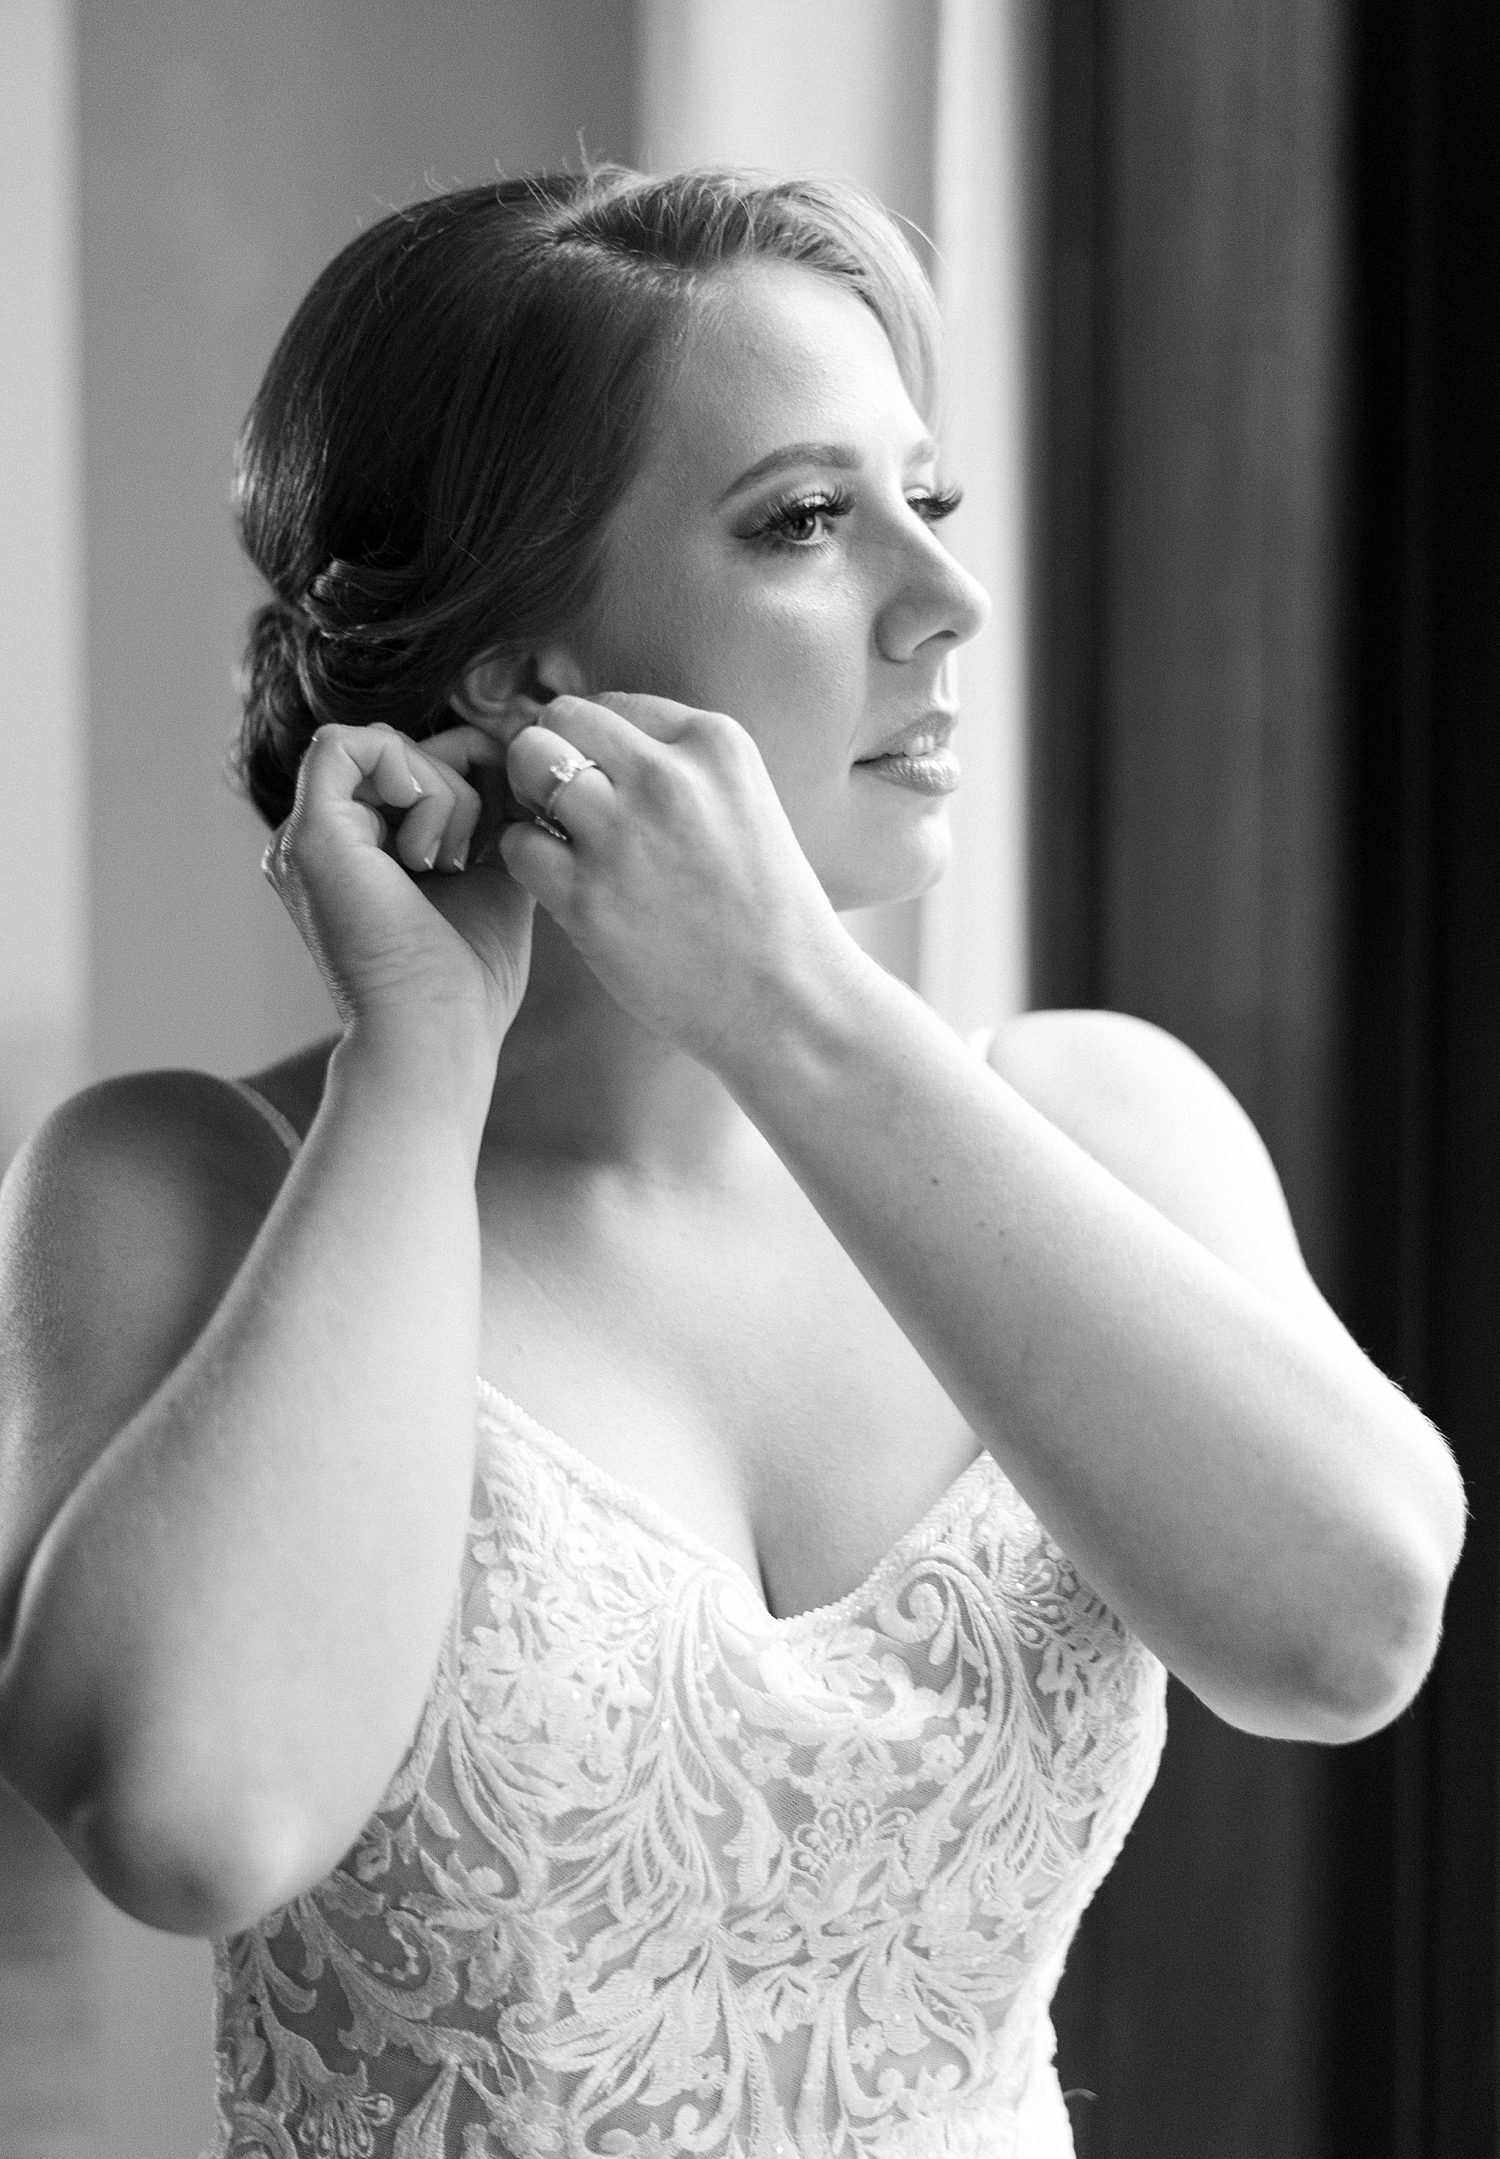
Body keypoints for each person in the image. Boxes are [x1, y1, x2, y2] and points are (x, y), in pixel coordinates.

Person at [0, 167, 1465, 2159]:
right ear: (521, 670)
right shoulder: (180, 1186)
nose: (945, 604)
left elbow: (1351, 1631)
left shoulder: (1111, 1122)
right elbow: (192, 1820)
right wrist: (419, 1063)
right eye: (800, 522)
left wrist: (786, 1003)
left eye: (924, 506)